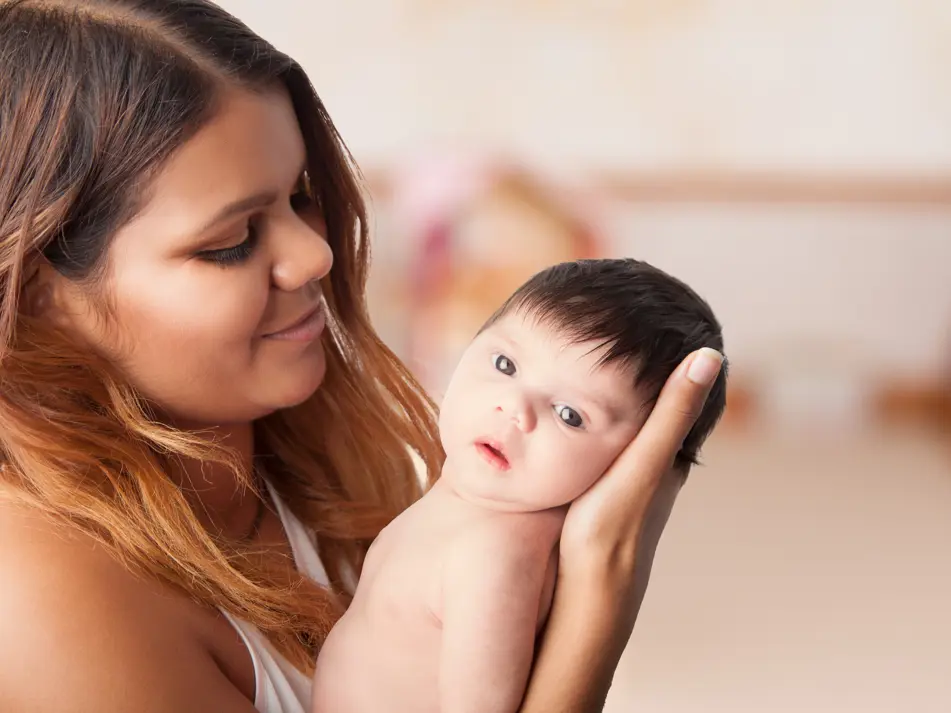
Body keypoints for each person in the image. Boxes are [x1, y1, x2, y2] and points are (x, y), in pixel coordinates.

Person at [0, 2, 724, 712]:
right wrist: (595, 609)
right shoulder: (39, 597)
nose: (316, 253)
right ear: (36, 292)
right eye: (230, 242)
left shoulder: (299, 448)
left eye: (303, 195)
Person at [312, 258, 727, 713]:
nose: (515, 409)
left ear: (634, 467)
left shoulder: (495, 554)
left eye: (570, 415)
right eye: (506, 364)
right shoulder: (468, 501)